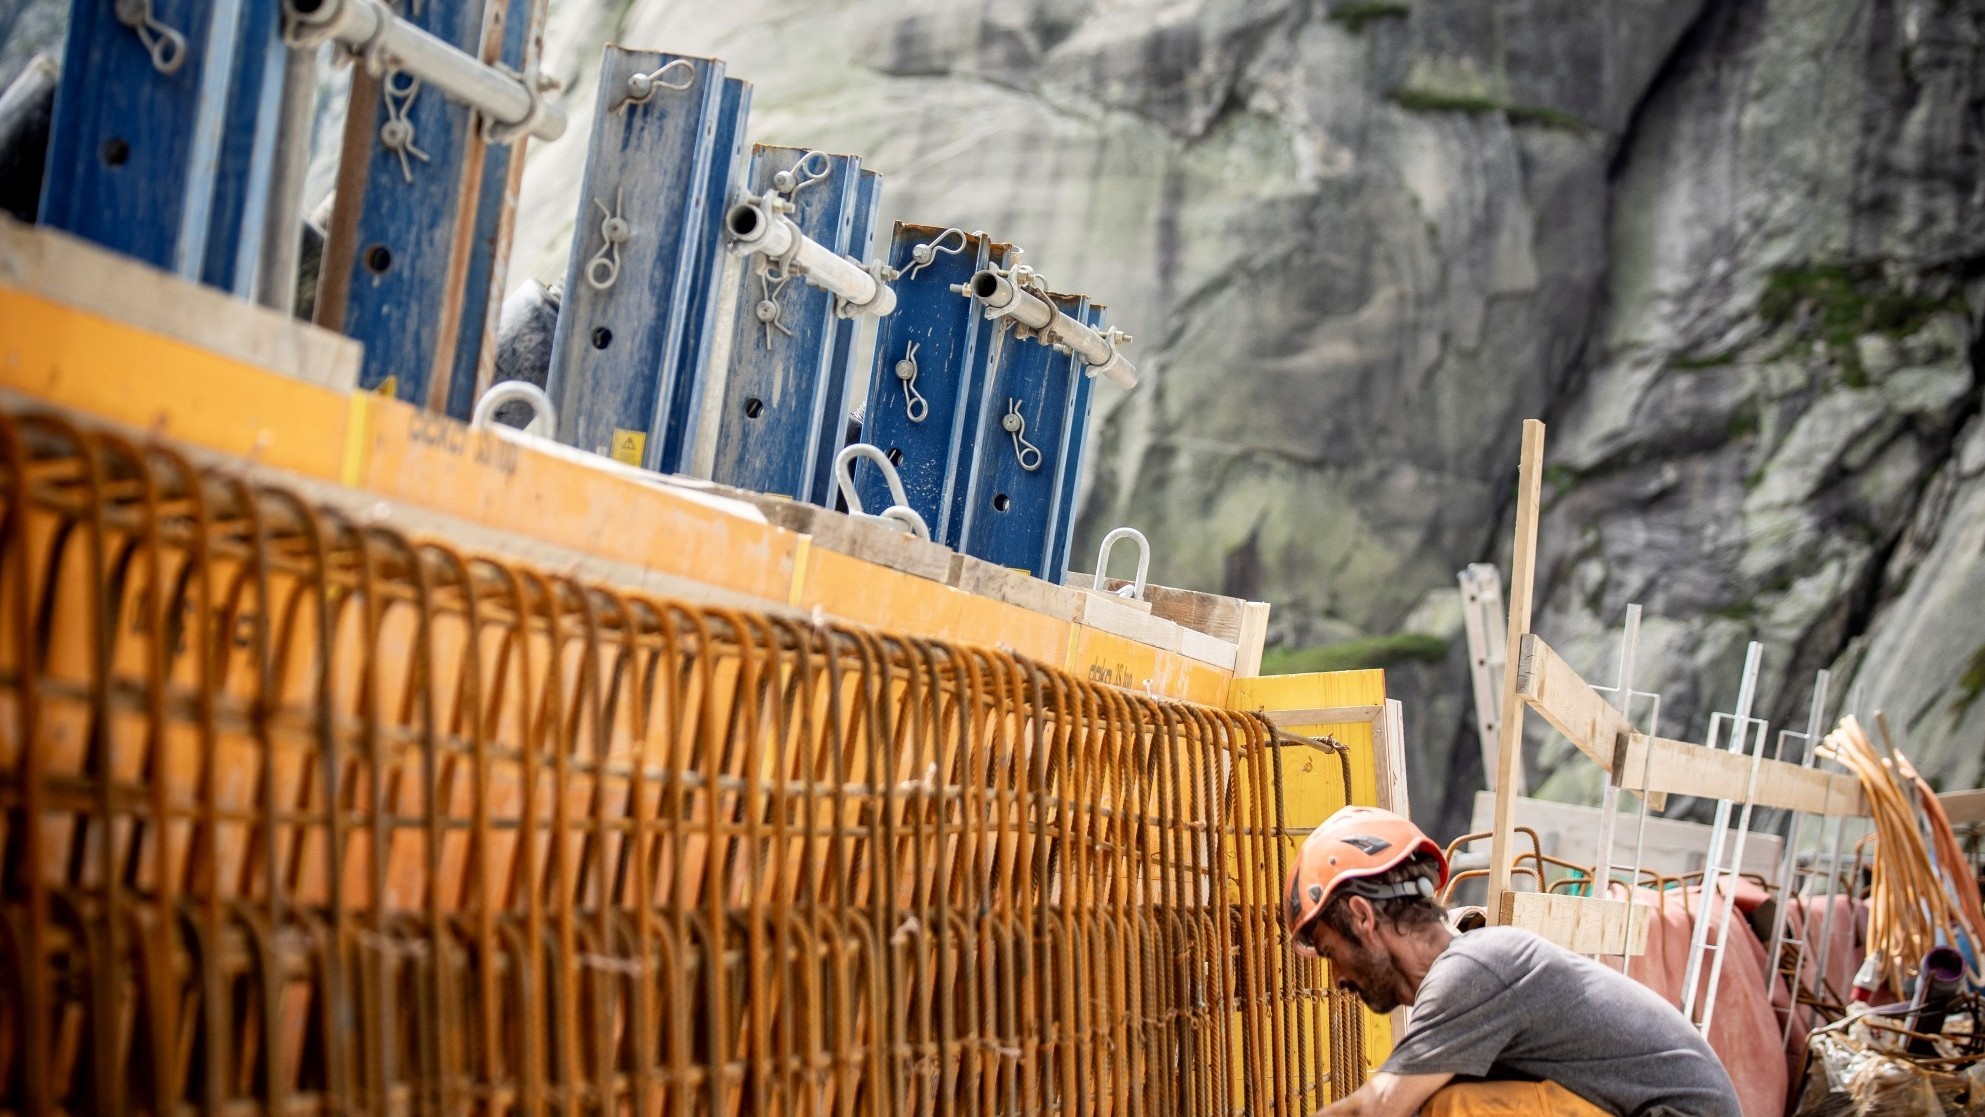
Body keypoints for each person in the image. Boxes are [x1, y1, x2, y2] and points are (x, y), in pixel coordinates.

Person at [1284, 806, 1740, 1117]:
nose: (1338, 977)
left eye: (1331, 954)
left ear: (1363, 917)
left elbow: (1379, 1106)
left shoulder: (1471, 971)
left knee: (1453, 1110)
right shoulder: (1477, 968)